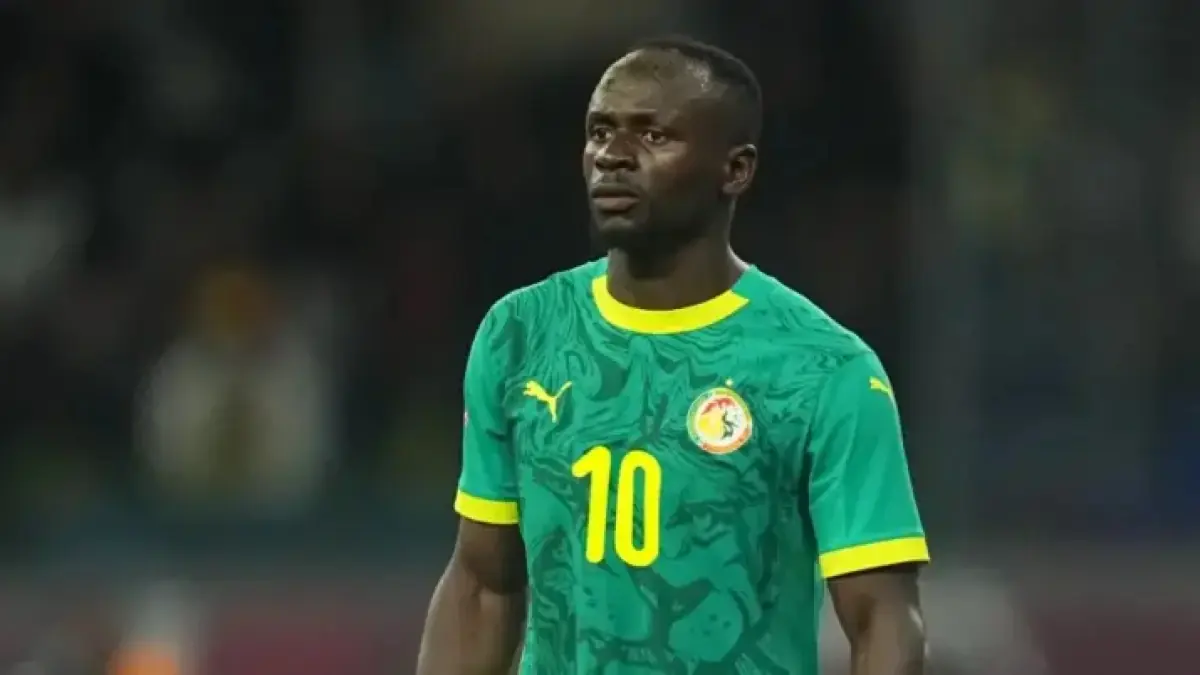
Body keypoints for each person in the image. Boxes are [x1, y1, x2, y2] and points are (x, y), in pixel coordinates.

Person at [418, 35, 929, 675]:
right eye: (599, 132)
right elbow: (483, 586)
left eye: (653, 135)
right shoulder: (519, 333)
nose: (612, 156)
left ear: (735, 170)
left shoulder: (824, 369)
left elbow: (882, 619)